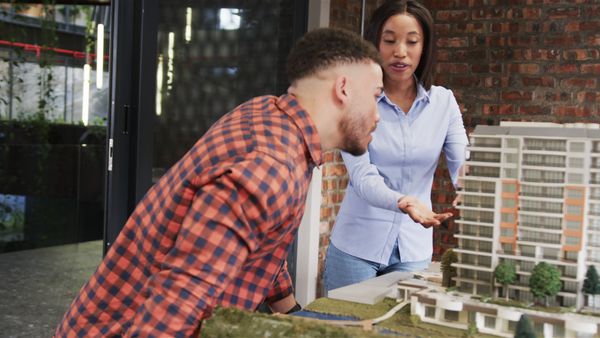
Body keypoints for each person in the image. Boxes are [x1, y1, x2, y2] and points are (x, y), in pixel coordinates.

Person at [55, 27, 384, 337]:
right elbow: (179, 301)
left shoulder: (267, 114)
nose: (378, 114)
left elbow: (261, 240)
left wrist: (291, 311)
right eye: (376, 95)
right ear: (344, 88)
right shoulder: (271, 167)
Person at [324, 0, 469, 293]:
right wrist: (404, 201)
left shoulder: (444, 103)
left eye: (411, 41)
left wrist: (470, 191)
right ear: (374, 45)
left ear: (424, 47)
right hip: (356, 248)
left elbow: (462, 165)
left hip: (412, 251)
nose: (400, 51)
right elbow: (363, 177)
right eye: (389, 41)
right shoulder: (356, 102)